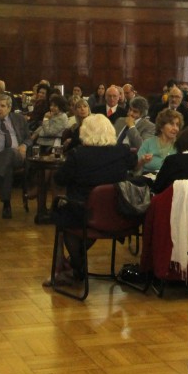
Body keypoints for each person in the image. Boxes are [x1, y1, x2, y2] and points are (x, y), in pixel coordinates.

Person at [51, 114, 136, 283]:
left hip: (84, 213)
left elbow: (59, 179)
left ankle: (76, 266)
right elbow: (133, 165)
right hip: (116, 213)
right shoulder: (122, 151)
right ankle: (73, 266)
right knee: (84, 219)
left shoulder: (78, 154)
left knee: (63, 215)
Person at [137, 108, 183, 173]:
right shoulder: (148, 143)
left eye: (177, 125)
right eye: (171, 124)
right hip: (148, 180)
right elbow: (135, 168)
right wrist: (142, 161)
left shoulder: (180, 146)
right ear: (161, 127)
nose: (175, 128)